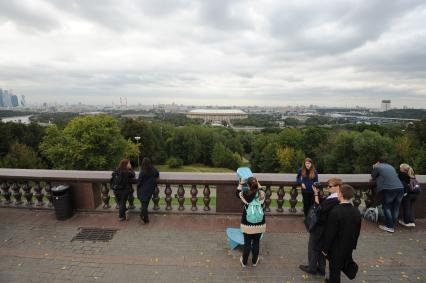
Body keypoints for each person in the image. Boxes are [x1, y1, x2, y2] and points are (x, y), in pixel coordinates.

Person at [299, 178, 342, 276]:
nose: (328, 188)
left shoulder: (335, 199)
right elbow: (321, 204)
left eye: (330, 186)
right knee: (321, 247)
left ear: (337, 187)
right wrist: (316, 193)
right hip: (325, 226)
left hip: (320, 226)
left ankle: (312, 268)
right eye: (327, 186)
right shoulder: (334, 197)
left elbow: (319, 209)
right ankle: (321, 269)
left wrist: (315, 194)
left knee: (313, 246)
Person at [322, 184, 362, 283]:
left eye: (338, 192)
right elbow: (357, 231)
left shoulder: (335, 211)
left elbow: (330, 233)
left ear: (340, 194)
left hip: (336, 246)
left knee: (334, 268)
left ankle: (333, 280)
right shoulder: (356, 211)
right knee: (342, 263)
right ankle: (332, 279)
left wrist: (325, 248)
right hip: (348, 245)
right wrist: (353, 245)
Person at [237, 177, 266, 268]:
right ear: (256, 184)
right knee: (256, 242)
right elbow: (260, 189)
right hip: (259, 222)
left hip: (247, 223)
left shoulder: (245, 194)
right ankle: (254, 261)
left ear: (248, 185)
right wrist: (257, 182)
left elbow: (237, 193)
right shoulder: (262, 193)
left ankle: (244, 262)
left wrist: (241, 184)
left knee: (247, 243)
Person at [371, 159, 404, 233]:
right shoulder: (391, 167)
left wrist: (374, 167)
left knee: (386, 206)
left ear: (378, 162)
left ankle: (390, 226)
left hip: (390, 189)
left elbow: (373, 176)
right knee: (396, 208)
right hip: (400, 188)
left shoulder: (378, 167)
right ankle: (392, 224)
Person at [137, 157, 159, 224]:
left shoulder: (142, 172)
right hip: (150, 190)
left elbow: (139, 182)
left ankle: (145, 219)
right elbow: (157, 174)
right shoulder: (153, 170)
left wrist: (138, 190)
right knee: (145, 204)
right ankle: (142, 216)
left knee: (144, 205)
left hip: (143, 190)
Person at [398, 163, 418, 227]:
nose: (399, 169)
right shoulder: (412, 174)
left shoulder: (401, 174)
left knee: (406, 207)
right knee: (411, 207)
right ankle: (412, 221)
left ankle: (406, 222)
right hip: (416, 193)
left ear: (403, 169)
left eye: (400, 168)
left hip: (408, 194)